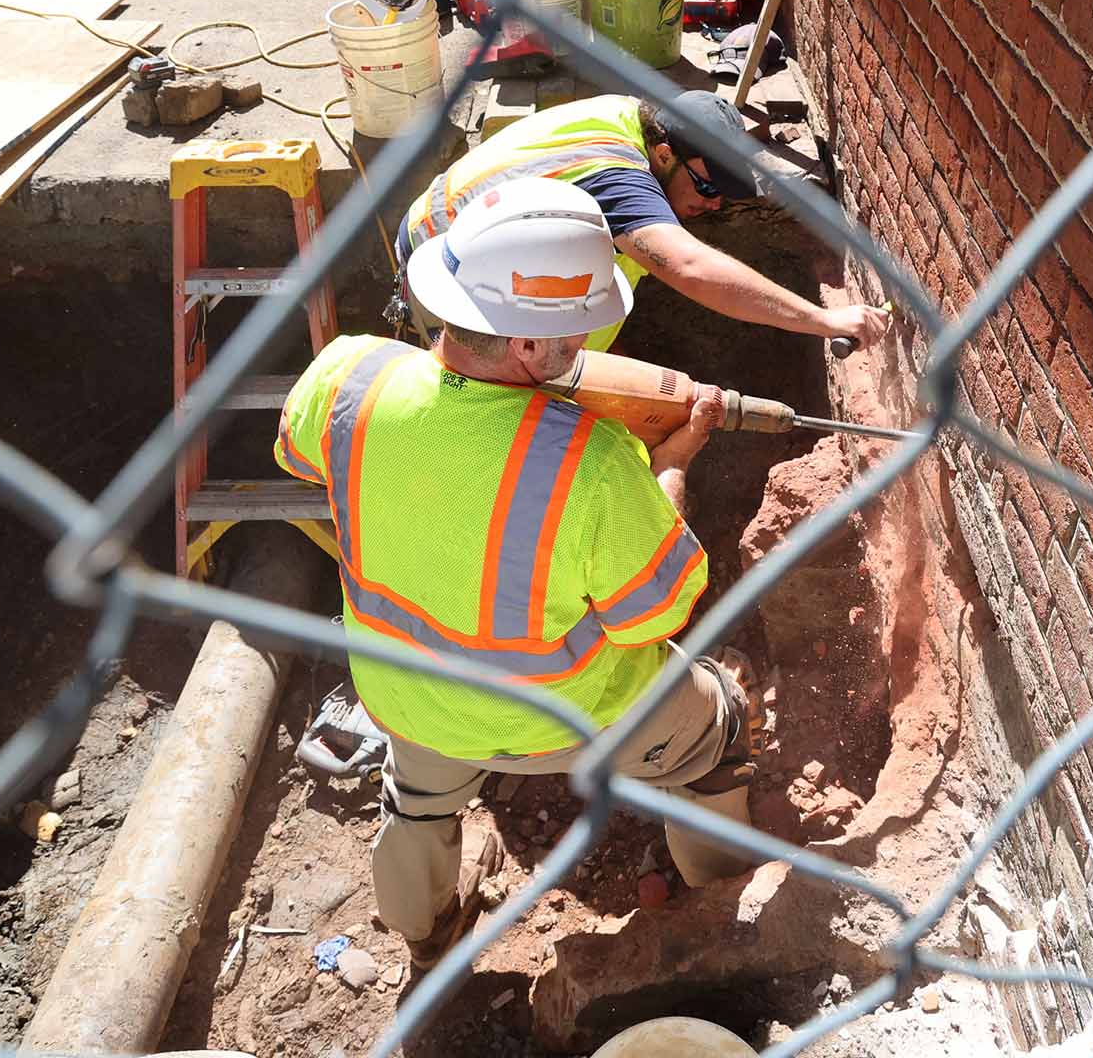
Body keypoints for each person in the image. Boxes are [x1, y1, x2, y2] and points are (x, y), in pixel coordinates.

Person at [276, 178, 760, 966]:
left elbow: (301, 451)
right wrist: (665, 472)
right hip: (561, 718)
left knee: (418, 801)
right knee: (719, 730)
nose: (584, 351)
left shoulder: (350, 377)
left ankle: (425, 938)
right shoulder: (593, 465)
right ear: (531, 346)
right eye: (574, 335)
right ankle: (715, 909)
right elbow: (656, 612)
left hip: (411, 694)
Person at [395, 91, 891, 353]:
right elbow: (690, 267)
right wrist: (824, 320)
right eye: (708, 187)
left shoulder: (625, 115)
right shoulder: (616, 177)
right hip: (449, 275)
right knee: (513, 416)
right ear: (663, 153)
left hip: (472, 245)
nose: (715, 205)